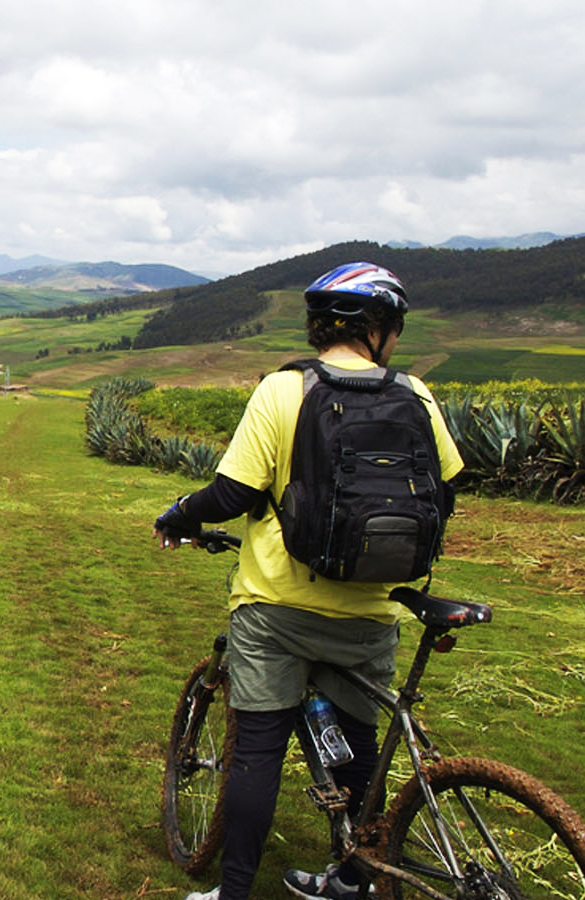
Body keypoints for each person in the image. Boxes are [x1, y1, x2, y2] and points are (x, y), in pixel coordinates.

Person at [152, 262, 465, 900]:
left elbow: (234, 490)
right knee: (357, 748)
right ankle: (353, 877)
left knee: (257, 754)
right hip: (371, 611)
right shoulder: (417, 394)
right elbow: (448, 488)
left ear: (322, 326)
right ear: (379, 329)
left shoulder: (284, 389)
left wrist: (178, 514)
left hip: (277, 606)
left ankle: (232, 892)